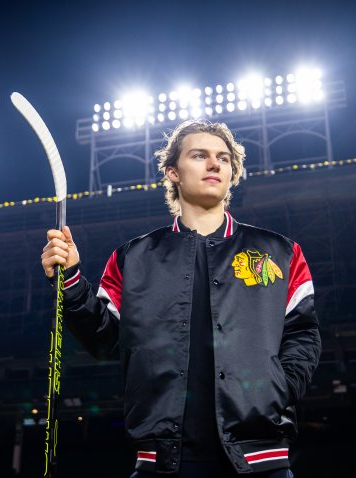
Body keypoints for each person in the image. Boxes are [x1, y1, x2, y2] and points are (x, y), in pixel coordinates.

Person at [41, 119, 320, 477]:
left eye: (223, 157)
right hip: (161, 461)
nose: (214, 163)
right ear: (172, 171)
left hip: (260, 457)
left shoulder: (281, 252)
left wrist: (277, 390)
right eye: (200, 155)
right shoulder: (133, 256)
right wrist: (70, 280)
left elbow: (303, 334)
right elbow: (106, 340)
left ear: (233, 172)